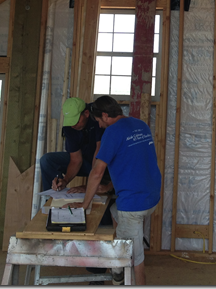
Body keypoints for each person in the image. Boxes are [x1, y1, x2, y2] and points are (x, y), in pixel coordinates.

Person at [70, 95, 161, 286]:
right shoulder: (140, 125)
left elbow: (97, 172)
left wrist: (84, 205)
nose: (99, 125)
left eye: (98, 120)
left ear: (105, 115)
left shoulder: (112, 132)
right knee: (114, 211)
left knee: (135, 260)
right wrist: (110, 186)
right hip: (152, 196)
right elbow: (134, 164)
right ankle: (117, 271)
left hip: (133, 205)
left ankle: (123, 272)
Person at [39, 97, 113, 193]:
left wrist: (90, 185)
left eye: (76, 121)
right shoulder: (69, 127)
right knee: (47, 160)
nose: (73, 125)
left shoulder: (96, 116)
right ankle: (55, 196)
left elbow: (100, 151)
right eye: (71, 122)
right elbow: (76, 160)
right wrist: (65, 181)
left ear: (86, 113)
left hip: (104, 164)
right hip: (85, 162)